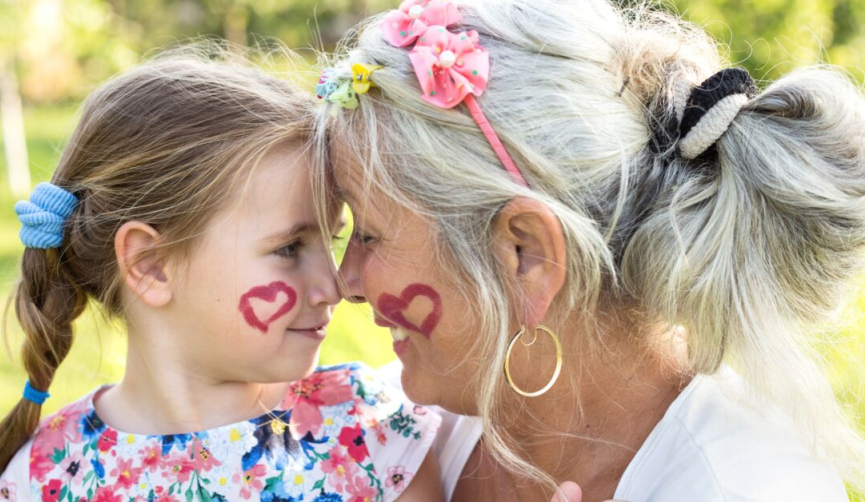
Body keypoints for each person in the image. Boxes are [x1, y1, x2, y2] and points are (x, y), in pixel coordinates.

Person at [311, 0, 865, 500]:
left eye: (369, 234)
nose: (346, 280)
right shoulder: (387, 432)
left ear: (526, 256)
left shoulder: (743, 488)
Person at [0, 51, 442, 502]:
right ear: (150, 264)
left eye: (329, 241)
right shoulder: (47, 477)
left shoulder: (369, 436)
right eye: (289, 248)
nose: (333, 286)